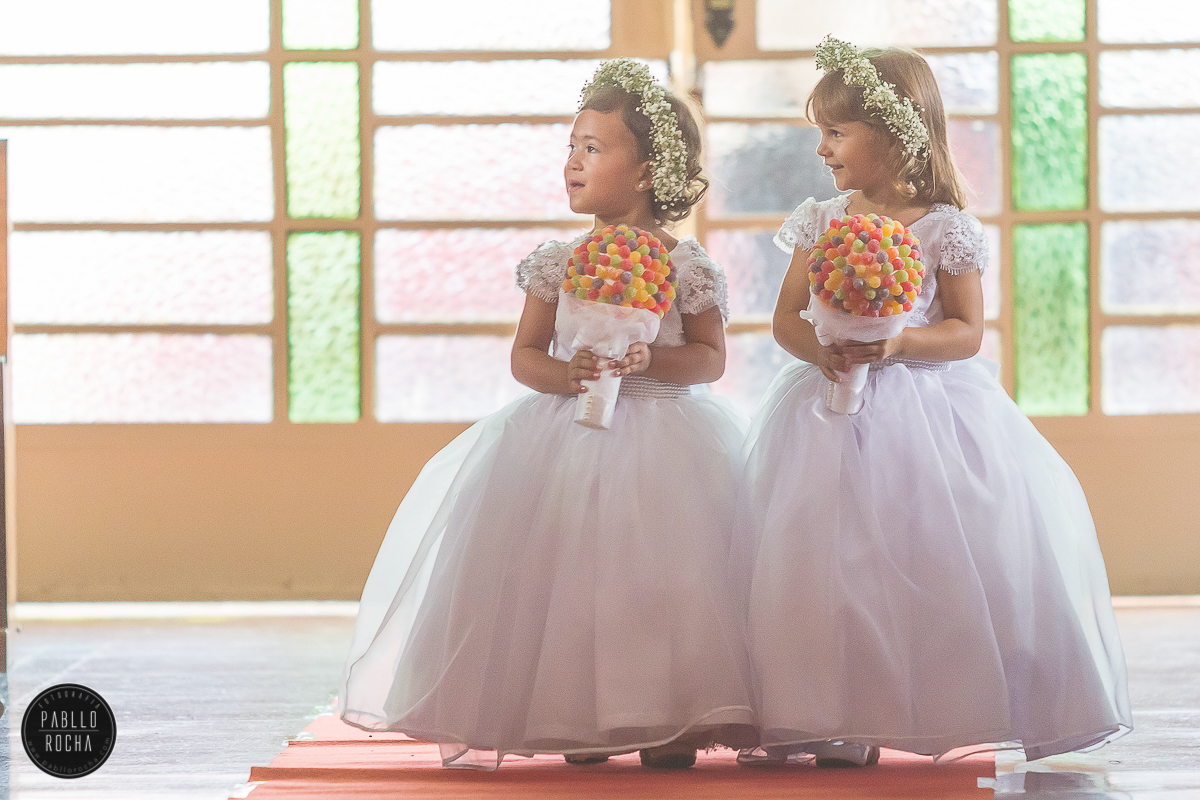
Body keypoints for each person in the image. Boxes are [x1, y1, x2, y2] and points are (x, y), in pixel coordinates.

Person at [338, 59, 755, 771]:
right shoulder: (559, 261)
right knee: (566, 577)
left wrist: (649, 361)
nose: (572, 162)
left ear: (649, 171)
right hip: (564, 434)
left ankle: (669, 713)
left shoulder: (686, 264)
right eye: (570, 147)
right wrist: (569, 375)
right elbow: (526, 356)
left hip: (666, 435)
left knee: (662, 576)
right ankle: (573, 714)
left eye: (593, 149)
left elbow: (710, 357)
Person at [735, 37, 1131, 768]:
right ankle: (822, 709)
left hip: (922, 413)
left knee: (904, 556)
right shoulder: (821, 218)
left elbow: (965, 331)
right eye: (819, 131)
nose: (822, 148)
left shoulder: (945, 226)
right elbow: (787, 316)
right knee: (822, 561)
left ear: (894, 133)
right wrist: (820, 349)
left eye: (836, 131)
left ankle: (892, 704)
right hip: (823, 410)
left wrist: (897, 345)